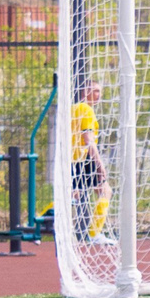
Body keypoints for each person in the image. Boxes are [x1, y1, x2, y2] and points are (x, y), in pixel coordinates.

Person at [67, 80, 112, 245]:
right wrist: (99, 164)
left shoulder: (73, 109)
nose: (98, 95)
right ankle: (94, 234)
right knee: (105, 191)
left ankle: (42, 220)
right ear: (84, 92)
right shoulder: (86, 110)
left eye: (99, 91)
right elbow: (88, 140)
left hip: (72, 159)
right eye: (94, 91)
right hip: (84, 158)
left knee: (75, 194)